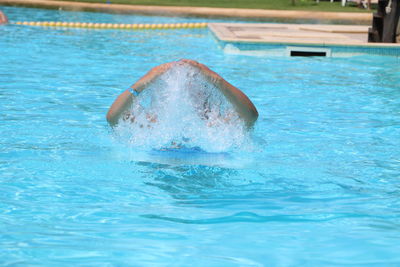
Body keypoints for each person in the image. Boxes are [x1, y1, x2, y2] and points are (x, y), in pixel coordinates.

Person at [106, 59, 258, 128]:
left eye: (194, 85)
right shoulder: (153, 124)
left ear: (205, 93)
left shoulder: (215, 125)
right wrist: (144, 81)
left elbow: (251, 116)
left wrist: (216, 80)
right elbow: (113, 118)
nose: (186, 89)